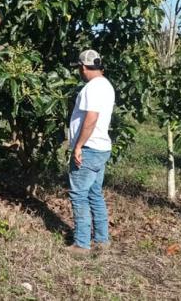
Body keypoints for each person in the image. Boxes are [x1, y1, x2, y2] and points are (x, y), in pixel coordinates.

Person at [67, 49, 115, 256]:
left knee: (79, 195)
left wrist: (78, 145)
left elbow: (91, 118)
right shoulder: (106, 85)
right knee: (95, 193)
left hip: (89, 148)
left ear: (84, 67)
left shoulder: (92, 88)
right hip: (102, 147)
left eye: (79, 68)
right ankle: (102, 239)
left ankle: (82, 244)